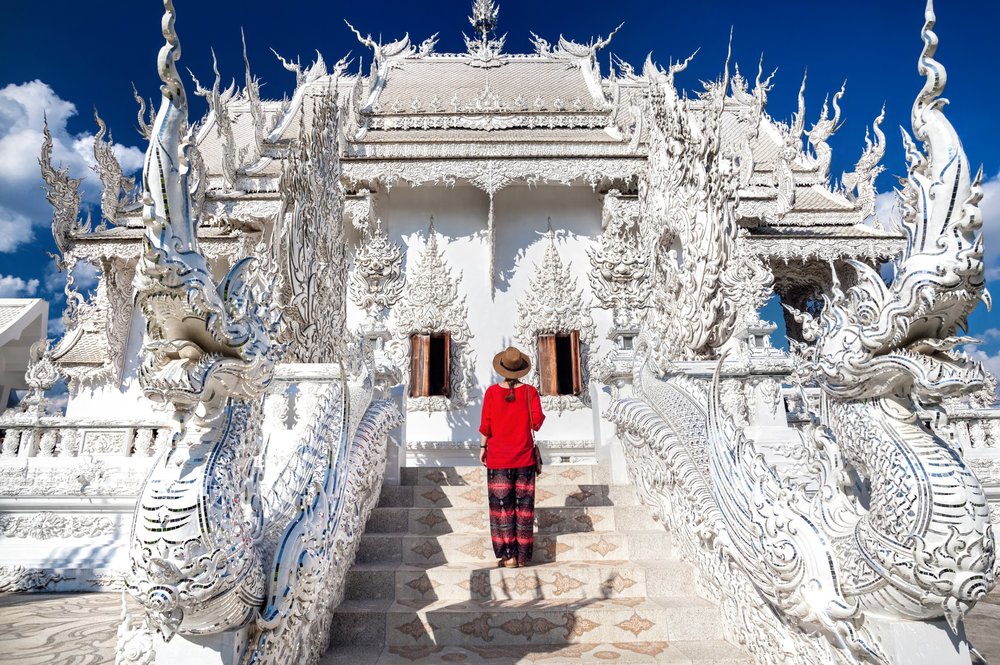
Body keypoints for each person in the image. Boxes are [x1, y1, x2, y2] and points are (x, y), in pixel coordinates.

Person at [478, 346, 545, 568]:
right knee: (524, 509)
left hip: (498, 459)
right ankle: (522, 556)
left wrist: (482, 447)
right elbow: (537, 422)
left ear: (502, 368)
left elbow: (486, 425)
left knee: (501, 510)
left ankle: (509, 557)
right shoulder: (530, 392)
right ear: (520, 369)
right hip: (524, 459)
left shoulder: (491, 392)